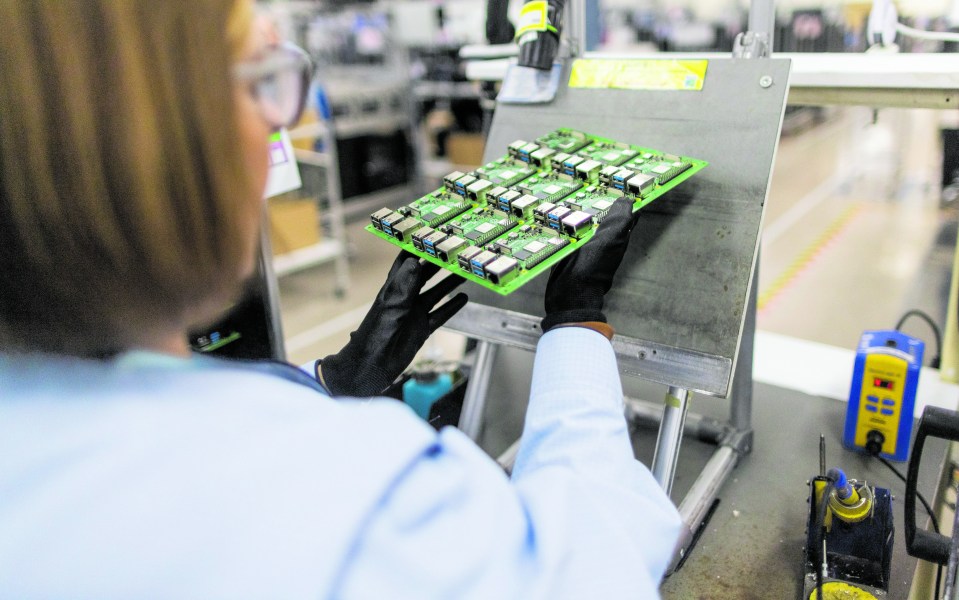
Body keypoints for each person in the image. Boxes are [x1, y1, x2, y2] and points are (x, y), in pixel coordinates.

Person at [0, 1, 680, 598]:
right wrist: (575, 322)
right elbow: (598, 563)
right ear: (176, 146)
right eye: (263, 82)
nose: (277, 126)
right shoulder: (359, 497)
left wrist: (334, 380)